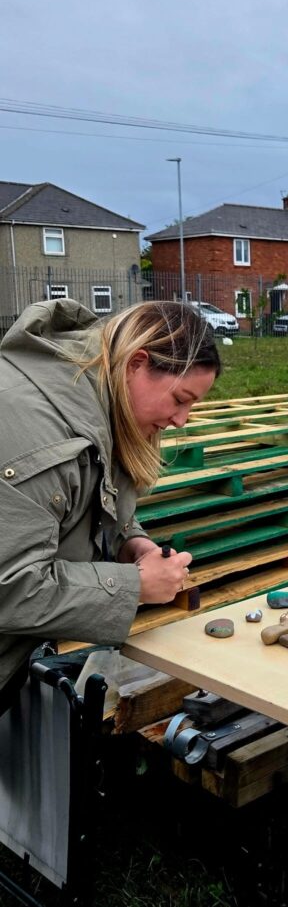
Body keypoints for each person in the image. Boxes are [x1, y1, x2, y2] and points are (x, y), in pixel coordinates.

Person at [0, 299, 220, 714]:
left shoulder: (87, 396)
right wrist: (134, 587)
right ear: (137, 363)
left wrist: (128, 540)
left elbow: (73, 500)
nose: (182, 421)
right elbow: (9, 586)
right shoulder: (39, 438)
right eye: (180, 399)